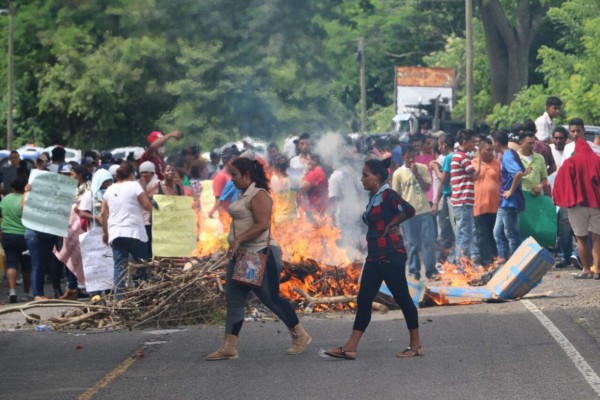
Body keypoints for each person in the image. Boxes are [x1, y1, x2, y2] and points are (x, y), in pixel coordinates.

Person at [206, 157, 311, 361]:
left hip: (258, 254)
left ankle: (300, 335)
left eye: (235, 175)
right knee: (234, 298)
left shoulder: (259, 194)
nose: (232, 179)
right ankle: (229, 347)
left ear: (247, 175)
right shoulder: (243, 194)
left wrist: (239, 240)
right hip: (242, 255)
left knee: (270, 298)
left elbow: (262, 224)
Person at [324, 158, 422, 360]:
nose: (362, 179)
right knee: (364, 300)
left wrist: (392, 224)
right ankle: (350, 347)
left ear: (377, 176)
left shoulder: (387, 194)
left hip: (391, 255)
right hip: (375, 256)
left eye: (365, 175)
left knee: (403, 298)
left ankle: (416, 345)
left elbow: (409, 210)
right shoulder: (375, 197)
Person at [101, 164, 153, 297]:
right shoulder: (134, 185)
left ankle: (119, 300)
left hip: (116, 234)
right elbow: (147, 206)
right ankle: (143, 296)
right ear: (131, 175)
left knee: (119, 267)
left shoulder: (109, 189)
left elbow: (103, 214)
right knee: (142, 265)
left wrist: (105, 233)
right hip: (134, 232)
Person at [552, 137, 600, 279]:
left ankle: (586, 270)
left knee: (581, 238)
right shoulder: (597, 161)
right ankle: (597, 270)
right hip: (596, 204)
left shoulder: (569, 163)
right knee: (597, 238)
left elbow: (561, 184)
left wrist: (562, 201)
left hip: (576, 206)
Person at [392, 145, 437, 280]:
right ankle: (413, 272)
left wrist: (417, 175)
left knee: (429, 242)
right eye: (408, 157)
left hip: (424, 211)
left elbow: (427, 187)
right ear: (403, 157)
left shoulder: (422, 168)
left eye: (413, 156)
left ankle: (431, 271)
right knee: (413, 244)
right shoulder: (398, 173)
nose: (411, 159)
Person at [492, 131, 526, 262]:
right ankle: (503, 258)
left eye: (493, 143)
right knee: (498, 232)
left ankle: (515, 261)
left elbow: (518, 173)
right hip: (504, 201)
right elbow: (522, 170)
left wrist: (511, 190)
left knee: (511, 233)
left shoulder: (507, 157)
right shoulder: (511, 154)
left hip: (509, 201)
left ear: (497, 143)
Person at [450, 129, 481, 262]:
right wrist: (479, 159)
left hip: (459, 200)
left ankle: (460, 264)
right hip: (463, 201)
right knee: (465, 235)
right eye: (472, 142)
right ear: (465, 142)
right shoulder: (462, 157)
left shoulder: (457, 156)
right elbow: (475, 175)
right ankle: (463, 265)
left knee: (461, 233)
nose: (474, 145)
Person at [0, 177, 31, 302]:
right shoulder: (26, 200)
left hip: (7, 235)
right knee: (26, 266)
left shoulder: (6, 199)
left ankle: (12, 291)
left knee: (11, 264)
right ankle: (26, 292)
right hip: (24, 235)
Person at [472, 139, 501, 266]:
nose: (491, 153)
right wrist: (478, 161)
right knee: (482, 236)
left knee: (494, 234)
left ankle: (495, 259)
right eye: (488, 150)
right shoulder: (472, 163)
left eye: (492, 150)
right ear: (480, 151)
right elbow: (474, 177)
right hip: (480, 205)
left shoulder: (497, 163)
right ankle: (486, 262)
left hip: (495, 205)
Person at [432, 133, 455, 264]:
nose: (439, 148)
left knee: (446, 232)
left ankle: (443, 262)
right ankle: (447, 261)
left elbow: (443, 180)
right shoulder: (456, 156)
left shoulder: (446, 158)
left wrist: (435, 168)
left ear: (444, 145)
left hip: (449, 198)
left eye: (440, 145)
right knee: (450, 232)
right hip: (452, 198)